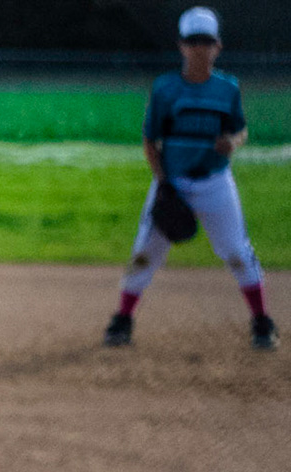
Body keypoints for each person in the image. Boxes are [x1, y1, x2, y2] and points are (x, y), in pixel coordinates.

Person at [103, 7, 277, 351]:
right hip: (173, 182)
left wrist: (233, 142)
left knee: (237, 252)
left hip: (215, 182)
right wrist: (164, 184)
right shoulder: (166, 89)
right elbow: (150, 141)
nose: (199, 47)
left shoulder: (227, 88)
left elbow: (239, 129)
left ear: (218, 46)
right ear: (181, 46)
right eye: (192, 41)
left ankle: (262, 322)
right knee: (144, 254)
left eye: (206, 41)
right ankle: (122, 319)